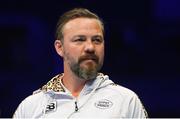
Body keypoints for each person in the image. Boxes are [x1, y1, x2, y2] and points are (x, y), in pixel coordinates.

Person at [13, 8, 148, 118]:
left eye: (97, 40)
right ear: (60, 48)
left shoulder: (126, 101)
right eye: (79, 40)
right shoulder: (31, 107)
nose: (90, 47)